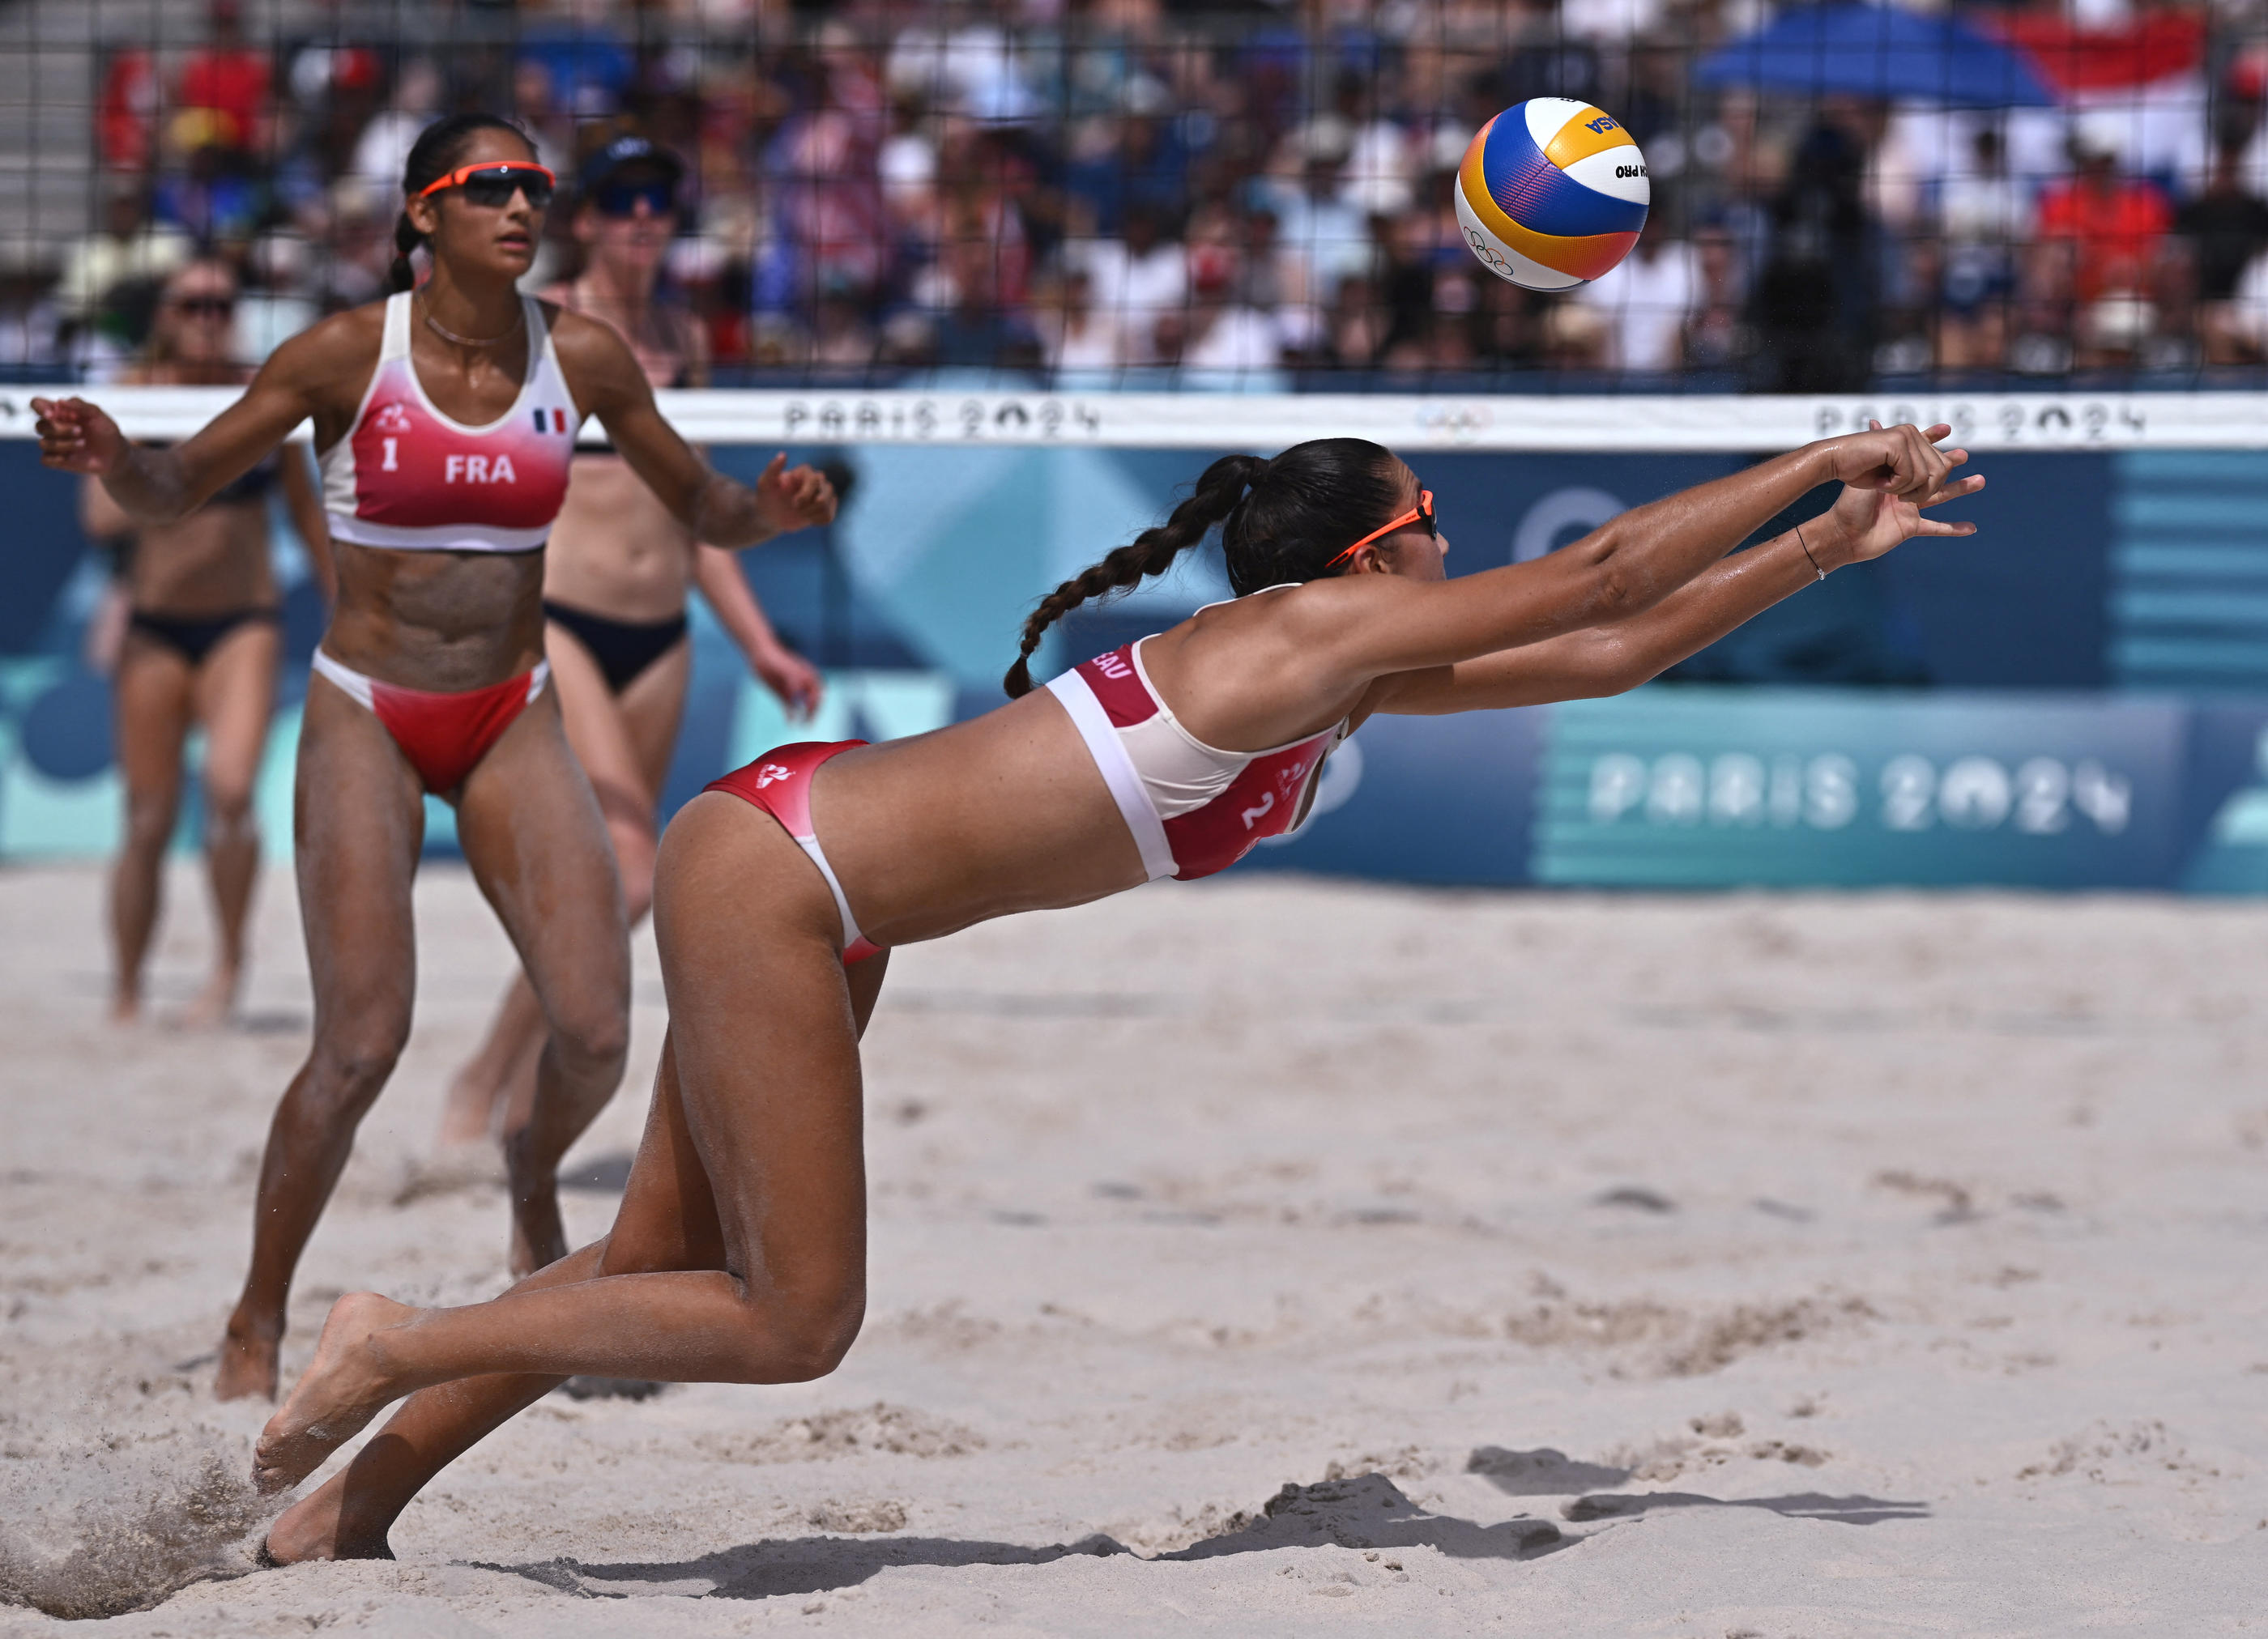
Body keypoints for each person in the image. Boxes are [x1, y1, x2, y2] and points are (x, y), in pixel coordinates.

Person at [241, 420, 1983, 1557]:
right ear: (1373, 553)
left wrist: (1830, 545)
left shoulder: (1332, 683)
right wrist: (1813, 452)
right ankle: (393, 1338)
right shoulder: (1299, 641)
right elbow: (1603, 573)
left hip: (811, 878)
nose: (1452, 554)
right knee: (790, 1318)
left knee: (653, 1272)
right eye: (1436, 527)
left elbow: (1606, 652)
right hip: (787, 878)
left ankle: (349, 1511)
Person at [33, 111, 837, 1402]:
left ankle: (527, 1178)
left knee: (594, 1030)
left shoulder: (581, 354)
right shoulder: (346, 355)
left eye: (535, 186)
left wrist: (772, 515)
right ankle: (256, 1314)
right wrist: (116, 457)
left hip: (507, 706)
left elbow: (703, 508)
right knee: (360, 1045)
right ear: (422, 214)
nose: (521, 206)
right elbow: (178, 488)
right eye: (490, 186)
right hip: (369, 703)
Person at [436, 138, 824, 1153]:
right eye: (624, 202)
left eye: (660, 200)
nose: (646, 216)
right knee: (633, 870)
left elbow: (694, 515)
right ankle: (485, 1087)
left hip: (660, 634)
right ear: (591, 219)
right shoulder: (540, 325)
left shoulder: (679, 333)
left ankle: (499, 1082)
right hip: (560, 617)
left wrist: (763, 642)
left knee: (608, 884)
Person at [83, 256, 331, 1026]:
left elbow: (304, 512)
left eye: (222, 305)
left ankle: (228, 967)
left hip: (242, 623)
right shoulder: (131, 399)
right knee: (148, 817)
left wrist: (347, 608)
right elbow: (97, 521)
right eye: (192, 304)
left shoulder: (264, 394)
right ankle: (127, 984)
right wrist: (166, 469)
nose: (207, 317)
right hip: (156, 627)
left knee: (230, 793)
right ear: (164, 314)